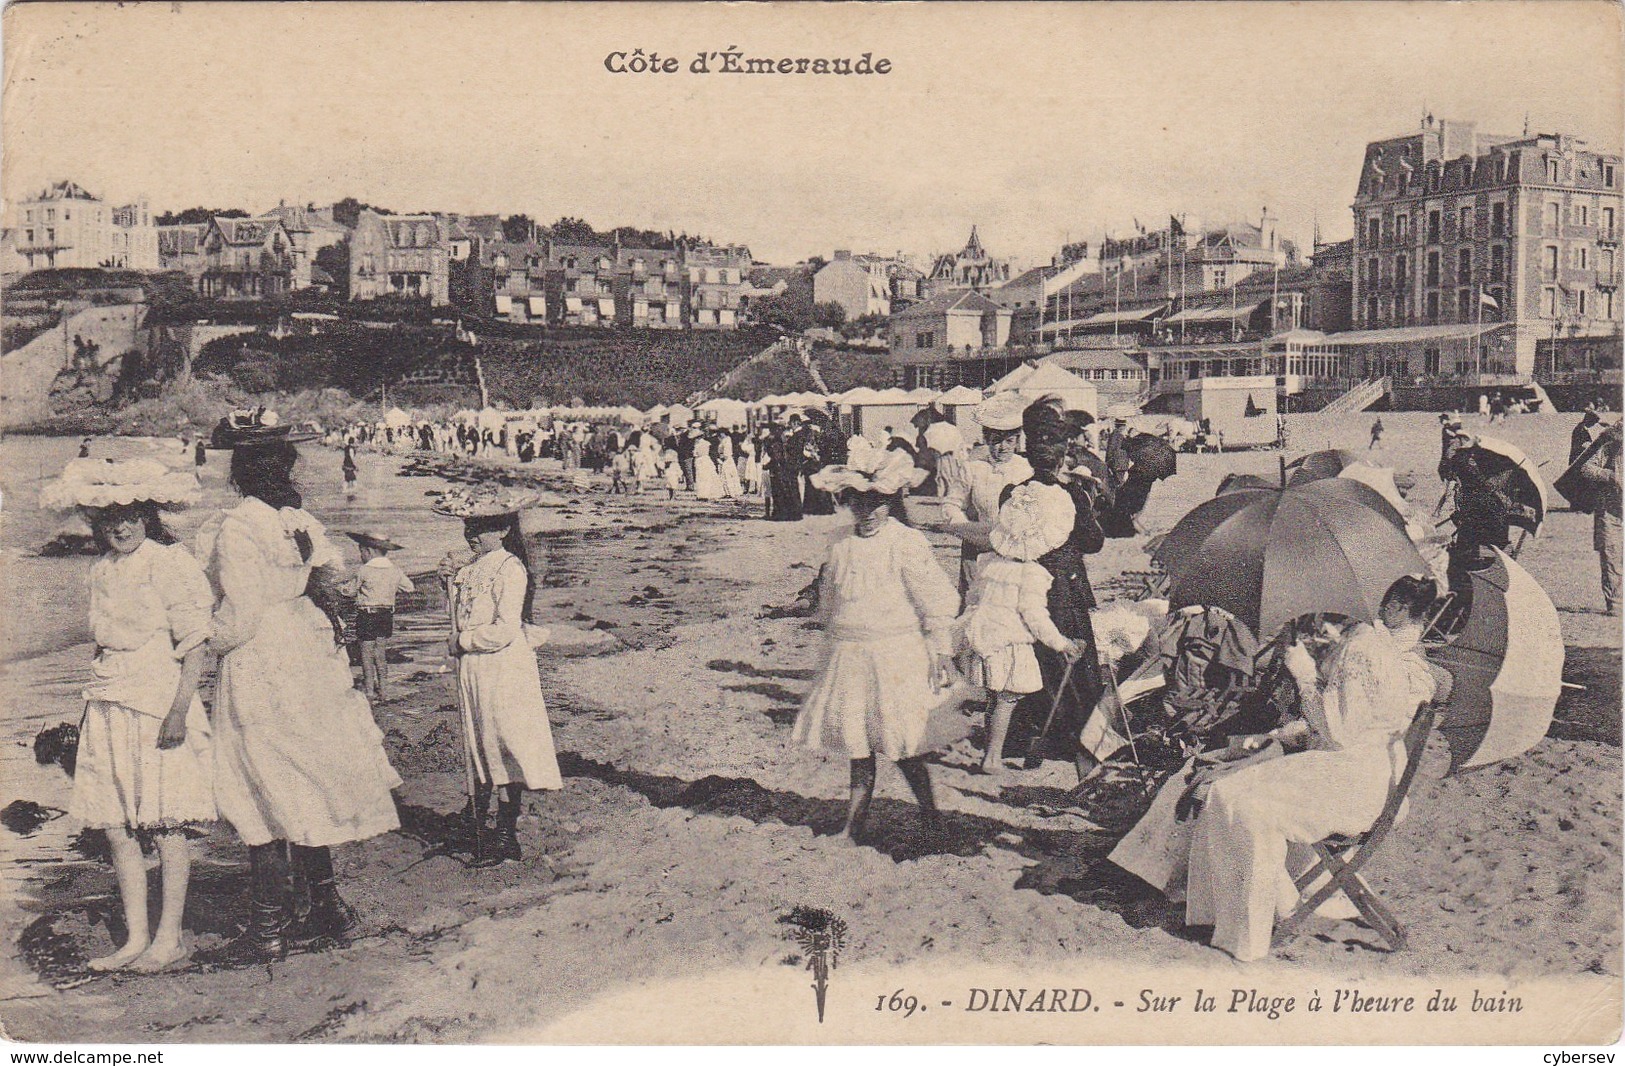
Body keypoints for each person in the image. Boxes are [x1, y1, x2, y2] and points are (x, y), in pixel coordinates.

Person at [1111, 575, 1441, 962]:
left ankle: (1246, 930)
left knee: (1240, 802)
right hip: (1360, 768)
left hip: (1352, 776)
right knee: (1227, 792)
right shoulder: (1374, 645)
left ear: (1396, 607)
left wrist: (1304, 675)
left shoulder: (1367, 648)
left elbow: (1338, 729)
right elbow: (1353, 721)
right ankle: (1238, 911)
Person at [199, 424, 402, 963]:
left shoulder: (238, 527)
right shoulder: (297, 520)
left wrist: (200, 639)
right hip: (305, 650)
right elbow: (330, 574)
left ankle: (268, 931)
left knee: (260, 780)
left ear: (238, 473)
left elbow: (239, 614)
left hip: (263, 655)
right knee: (303, 771)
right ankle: (327, 907)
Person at [41, 459, 215, 973]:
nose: (121, 526)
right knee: (116, 826)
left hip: (158, 700)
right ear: (96, 523)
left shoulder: (169, 561)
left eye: (132, 515)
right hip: (107, 698)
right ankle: (135, 937)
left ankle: (170, 937)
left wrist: (180, 710)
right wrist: (90, 708)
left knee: (166, 822)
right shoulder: (100, 570)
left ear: (148, 516)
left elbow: (196, 642)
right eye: (110, 518)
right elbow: (101, 645)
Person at [792, 450, 957, 842]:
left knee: (903, 742)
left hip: (895, 654)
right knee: (858, 741)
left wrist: (942, 652)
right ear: (847, 502)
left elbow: (935, 602)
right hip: (849, 652)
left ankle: (931, 815)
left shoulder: (906, 542)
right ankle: (853, 825)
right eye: (859, 503)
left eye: (878, 504)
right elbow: (833, 598)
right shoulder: (839, 543)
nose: (868, 513)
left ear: (891, 503)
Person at [436, 487, 563, 865]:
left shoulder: (511, 568)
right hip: (475, 667)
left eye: (481, 527)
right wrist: (446, 583)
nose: (471, 534)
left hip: (504, 665)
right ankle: (483, 826)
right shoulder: (469, 568)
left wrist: (463, 640)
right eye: (468, 526)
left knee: (503, 740)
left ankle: (506, 834)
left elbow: (505, 629)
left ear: (504, 529)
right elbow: (460, 613)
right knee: (478, 740)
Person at [958, 481, 1082, 775]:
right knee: (1007, 699)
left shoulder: (989, 562)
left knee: (994, 697)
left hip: (987, 637)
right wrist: (1062, 643)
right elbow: (1034, 617)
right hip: (1010, 642)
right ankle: (992, 758)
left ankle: (989, 753)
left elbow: (973, 597)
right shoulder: (1033, 574)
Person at [942, 393, 1033, 591]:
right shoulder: (973, 468)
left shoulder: (1026, 469)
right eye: (996, 441)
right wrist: (967, 530)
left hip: (1017, 551)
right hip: (979, 551)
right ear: (986, 440)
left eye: (1009, 441)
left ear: (1017, 441)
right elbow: (952, 503)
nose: (1002, 448)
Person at [341, 530, 415, 704]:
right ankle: (384, 690)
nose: (361, 556)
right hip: (385, 615)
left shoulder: (364, 570)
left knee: (366, 654)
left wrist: (340, 588)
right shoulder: (395, 570)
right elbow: (409, 588)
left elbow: (350, 591)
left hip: (366, 615)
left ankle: (369, 691)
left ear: (368, 550)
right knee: (380, 654)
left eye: (361, 552)